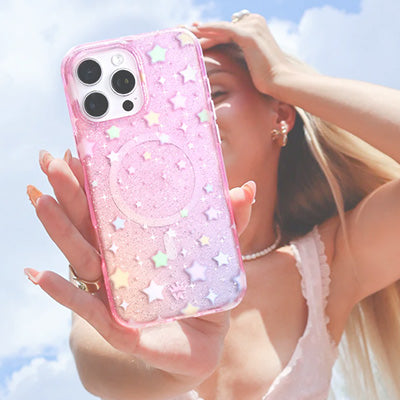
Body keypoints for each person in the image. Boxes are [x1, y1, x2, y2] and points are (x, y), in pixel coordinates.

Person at [25, 11, 400, 400]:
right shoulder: (125, 270)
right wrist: (171, 371)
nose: (192, 116)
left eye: (214, 93)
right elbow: (101, 370)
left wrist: (285, 77)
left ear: (280, 115)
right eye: (168, 110)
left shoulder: (327, 266)